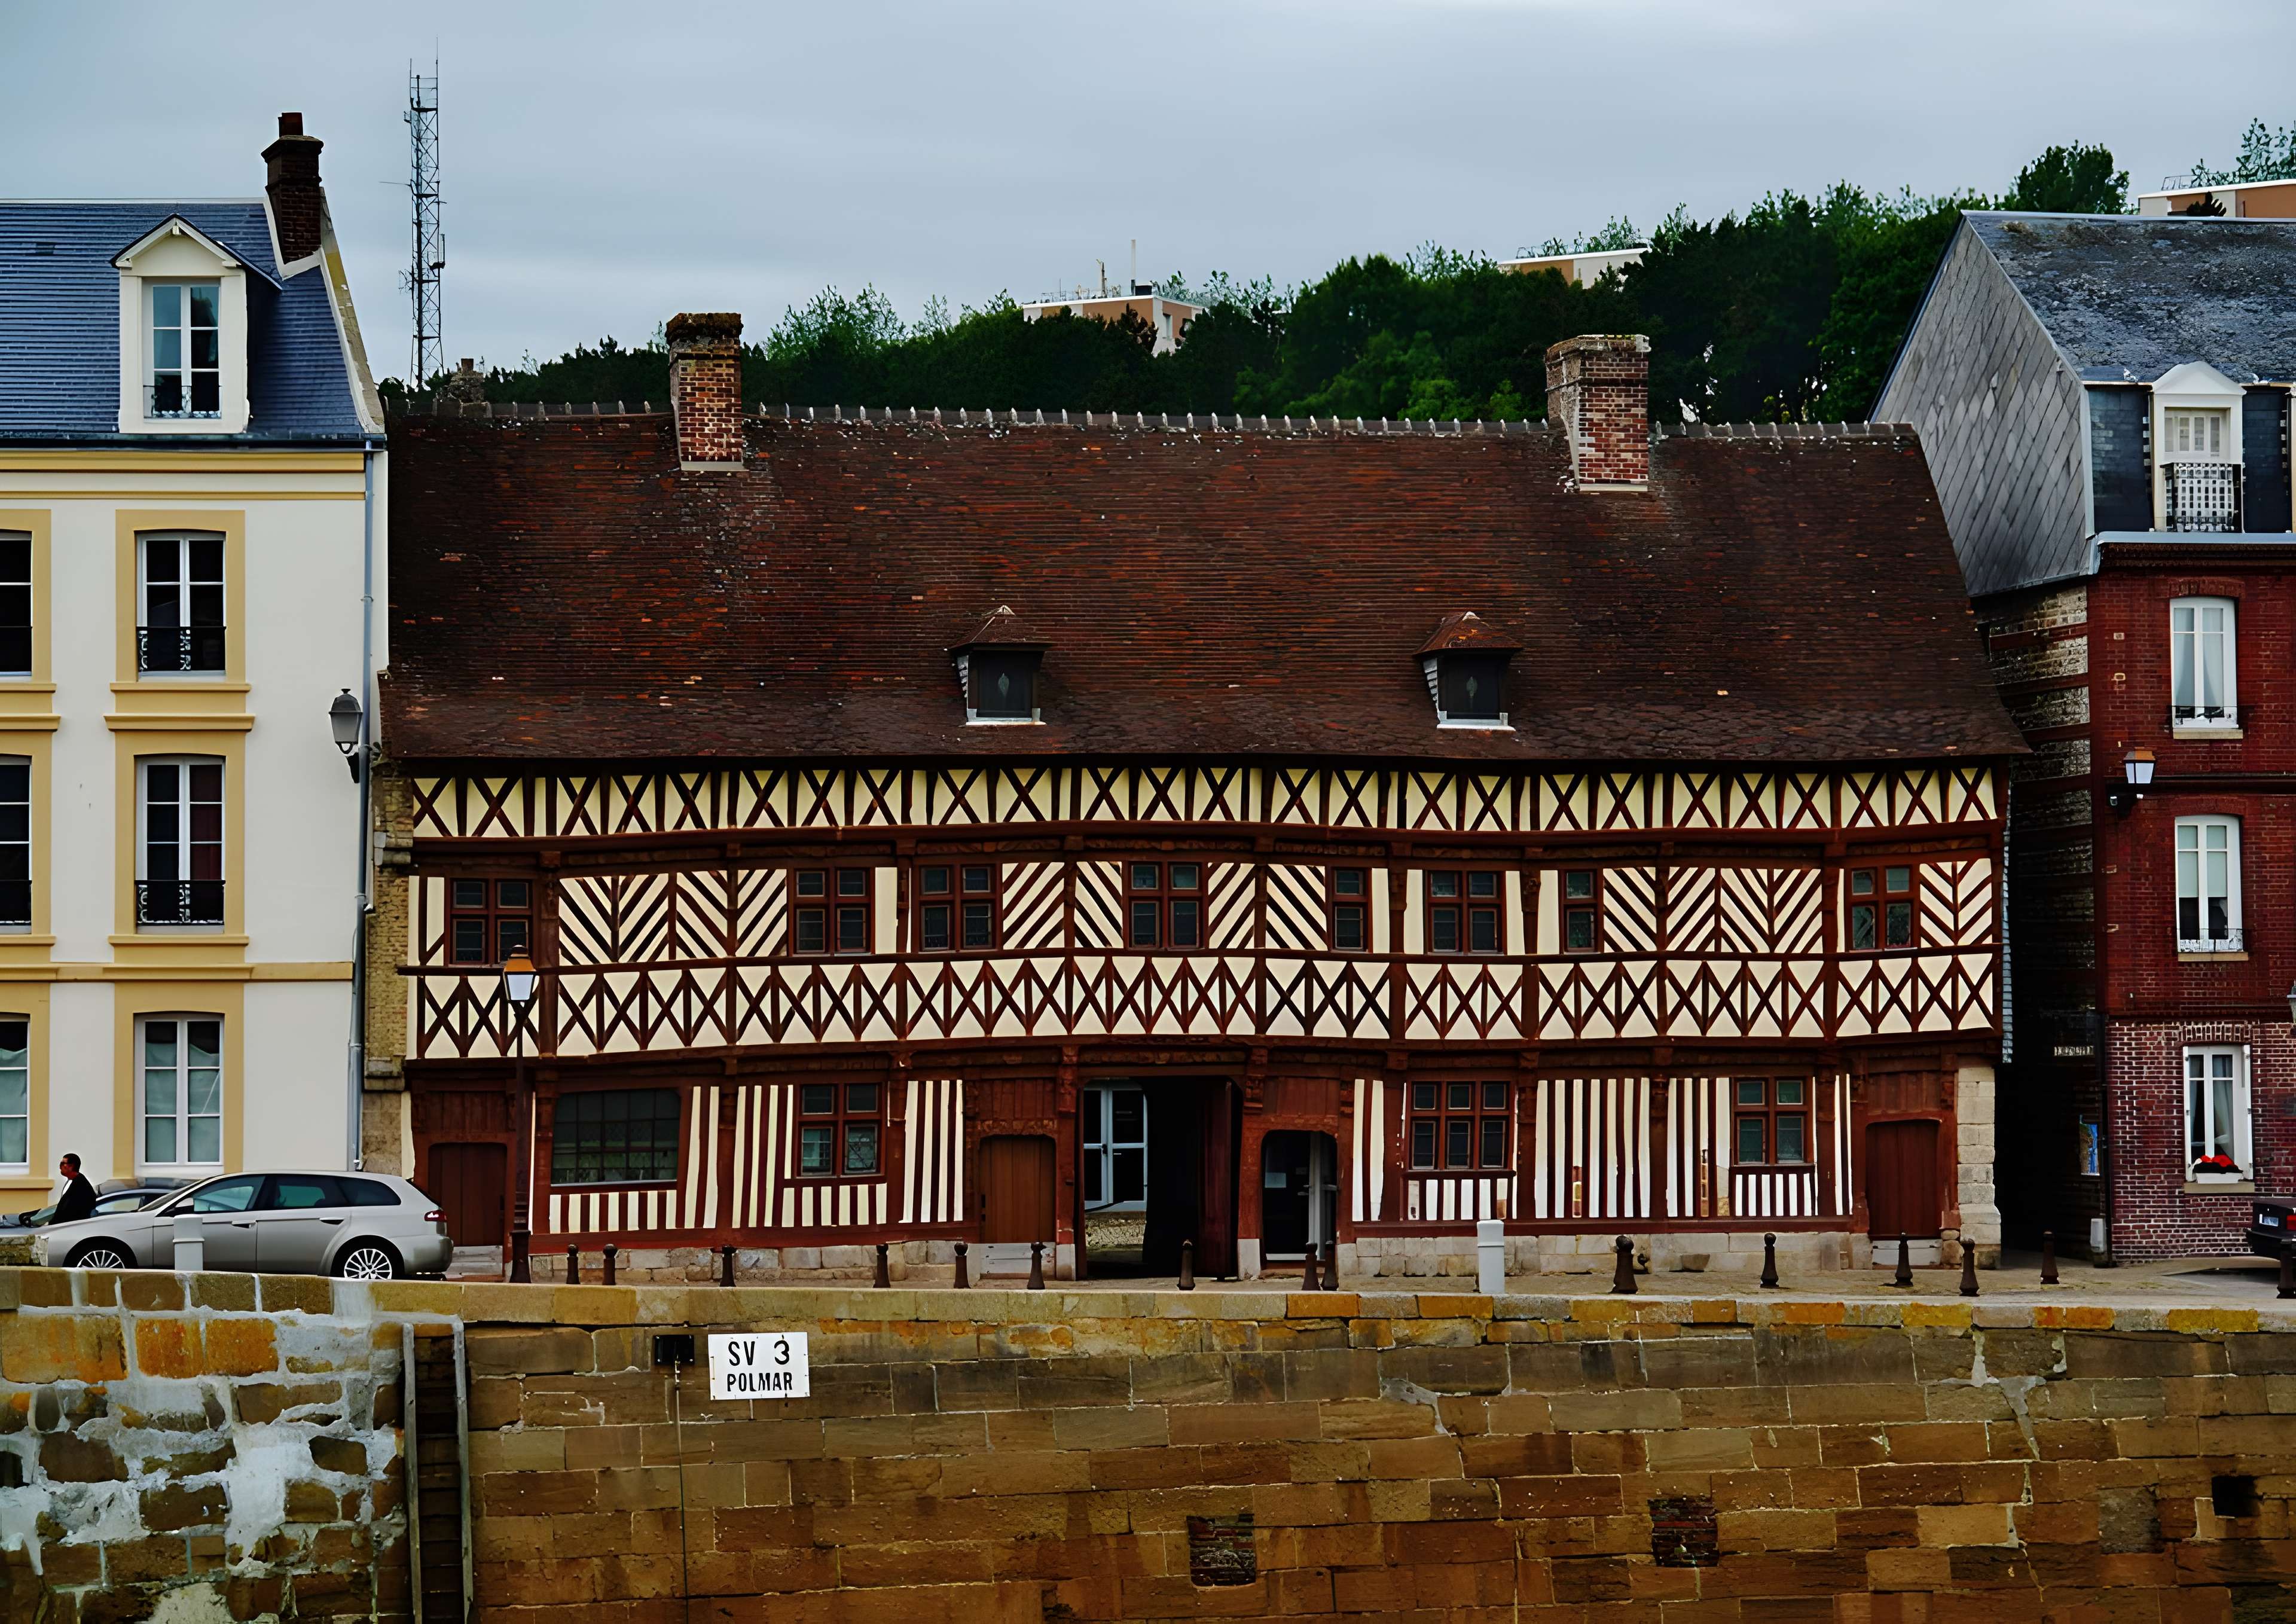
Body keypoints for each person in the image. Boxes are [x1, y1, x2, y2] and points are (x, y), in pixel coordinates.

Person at [52, 1153, 96, 1225]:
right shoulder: (73, 1181)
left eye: (63, 1164)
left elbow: (69, 1212)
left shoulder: (81, 1186)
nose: (60, 1167)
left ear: (71, 1166)